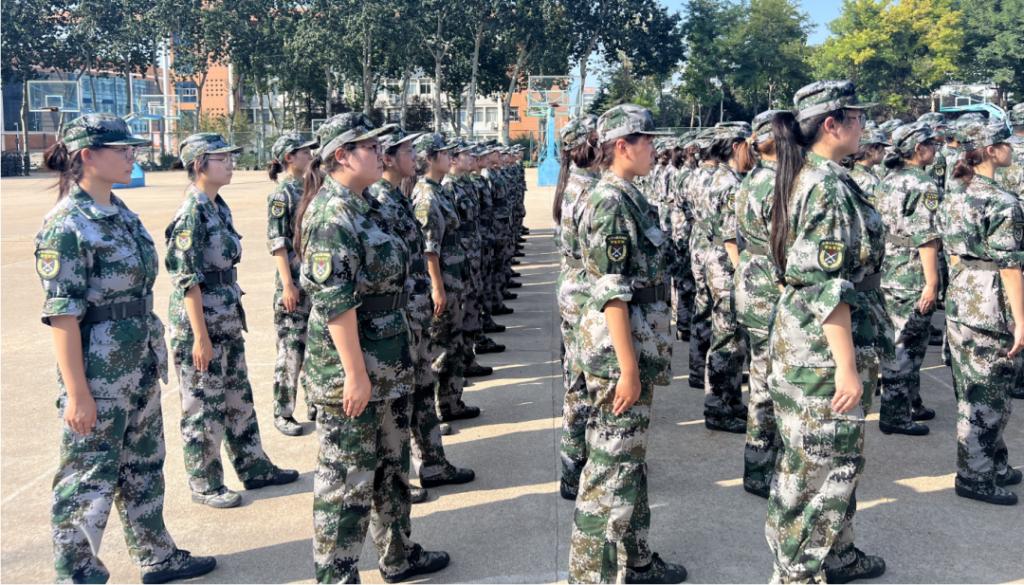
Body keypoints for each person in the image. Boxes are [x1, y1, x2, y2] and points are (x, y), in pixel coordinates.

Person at [37, 113, 216, 583]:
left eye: (131, 148)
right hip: (99, 373)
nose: (130, 156)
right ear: (87, 156)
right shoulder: (67, 225)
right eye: (121, 150)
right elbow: (62, 316)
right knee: (87, 477)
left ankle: (157, 555)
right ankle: (76, 574)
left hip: (138, 362)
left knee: (143, 464)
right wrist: (78, 393)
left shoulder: (120, 213)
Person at [294, 113, 451, 582]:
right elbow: (335, 304)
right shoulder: (331, 215)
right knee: (347, 481)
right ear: (342, 155)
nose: (380, 154)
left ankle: (398, 554)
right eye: (369, 147)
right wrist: (355, 374)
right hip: (353, 367)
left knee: (391, 467)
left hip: (388, 361)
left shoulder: (367, 205)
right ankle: (336, 575)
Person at [765, 81, 887, 583]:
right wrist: (846, 367)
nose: (864, 126)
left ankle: (837, 554)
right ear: (831, 125)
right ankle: (797, 573)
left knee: (827, 462)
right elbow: (826, 286)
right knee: (818, 472)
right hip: (821, 352)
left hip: (809, 342)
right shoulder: (826, 186)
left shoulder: (815, 177)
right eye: (857, 117)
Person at [571, 104, 686, 584]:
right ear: (623, 146)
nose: (655, 149)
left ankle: (637, 559)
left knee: (629, 462)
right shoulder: (611, 203)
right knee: (609, 470)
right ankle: (588, 577)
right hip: (622, 353)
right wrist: (628, 369)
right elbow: (612, 293)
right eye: (648, 141)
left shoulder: (629, 196)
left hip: (638, 344)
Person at [166, 133, 298, 509]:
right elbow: (187, 280)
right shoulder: (191, 212)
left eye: (230, 158)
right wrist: (199, 337)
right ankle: (205, 482)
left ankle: (254, 466)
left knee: (237, 396)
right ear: (199, 165)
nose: (230, 164)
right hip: (201, 322)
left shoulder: (217, 206)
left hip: (224, 316)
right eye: (221, 159)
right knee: (203, 406)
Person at [369, 129, 474, 501]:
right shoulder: (378, 202)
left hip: (412, 311)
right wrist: (435, 289)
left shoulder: (397, 198)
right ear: (388, 158)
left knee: (421, 386)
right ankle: (399, 478)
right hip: (398, 316)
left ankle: (432, 463)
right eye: (407, 151)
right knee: (399, 401)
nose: (413, 156)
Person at [939, 122, 1024, 506]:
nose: (1012, 148)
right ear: (990, 150)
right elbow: (1010, 267)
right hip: (991, 302)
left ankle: (994, 462)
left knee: (975, 387)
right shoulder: (1001, 202)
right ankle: (974, 476)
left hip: (963, 295)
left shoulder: (956, 192)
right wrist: (1021, 320)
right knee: (988, 391)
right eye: (1005, 142)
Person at [876, 122, 943, 436]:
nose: (935, 148)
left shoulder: (889, 179)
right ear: (919, 149)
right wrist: (932, 282)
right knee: (907, 345)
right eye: (931, 143)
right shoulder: (923, 184)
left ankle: (911, 402)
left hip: (889, 268)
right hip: (911, 271)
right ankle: (895, 414)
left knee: (903, 340)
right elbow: (926, 237)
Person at [412, 133, 480, 422]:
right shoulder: (426, 197)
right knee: (439, 347)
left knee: (453, 343)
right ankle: (437, 410)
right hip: (443, 282)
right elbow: (429, 250)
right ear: (429, 158)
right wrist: (437, 288)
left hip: (454, 279)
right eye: (443, 153)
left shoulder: (438, 191)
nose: (450, 157)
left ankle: (451, 402)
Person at [734, 109, 785, 498]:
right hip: (770, 286)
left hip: (751, 282)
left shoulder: (750, 179)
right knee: (770, 382)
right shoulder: (778, 185)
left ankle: (757, 465)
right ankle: (763, 468)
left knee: (760, 376)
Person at [552, 115, 600, 501]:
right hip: (586, 295)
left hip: (573, 290)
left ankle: (574, 465)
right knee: (584, 385)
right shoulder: (589, 192)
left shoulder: (572, 186)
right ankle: (576, 467)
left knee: (576, 381)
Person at [700, 122, 754, 433]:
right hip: (727, 266)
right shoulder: (730, 184)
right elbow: (731, 237)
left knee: (729, 337)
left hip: (718, 261)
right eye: (748, 144)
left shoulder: (721, 177)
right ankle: (719, 408)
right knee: (728, 339)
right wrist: (742, 273)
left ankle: (730, 401)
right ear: (735, 146)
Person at [266, 131, 318, 435]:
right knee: (291, 349)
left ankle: (315, 402)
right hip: (294, 285)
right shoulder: (282, 194)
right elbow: (278, 244)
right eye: (304, 152)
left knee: (315, 344)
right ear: (289, 158)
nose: (310, 155)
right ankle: (283, 411)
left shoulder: (311, 186)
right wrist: (287, 284)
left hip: (313, 281)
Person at [844, 129, 888, 203]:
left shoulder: (859, 171)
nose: (885, 152)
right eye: (882, 148)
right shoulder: (866, 179)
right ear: (870, 151)